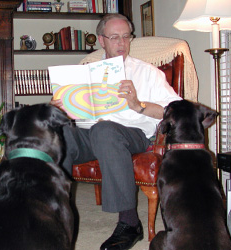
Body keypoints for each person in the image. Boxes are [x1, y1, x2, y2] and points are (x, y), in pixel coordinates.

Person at [51, 13, 182, 250]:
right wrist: (60, 108)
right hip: (88, 133)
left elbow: (174, 110)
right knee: (61, 133)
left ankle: (130, 223)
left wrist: (138, 104)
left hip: (132, 134)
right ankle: (58, 214)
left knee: (105, 130)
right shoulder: (84, 71)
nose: (122, 43)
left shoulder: (147, 72)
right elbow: (71, 113)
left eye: (126, 37)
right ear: (101, 40)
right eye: (114, 38)